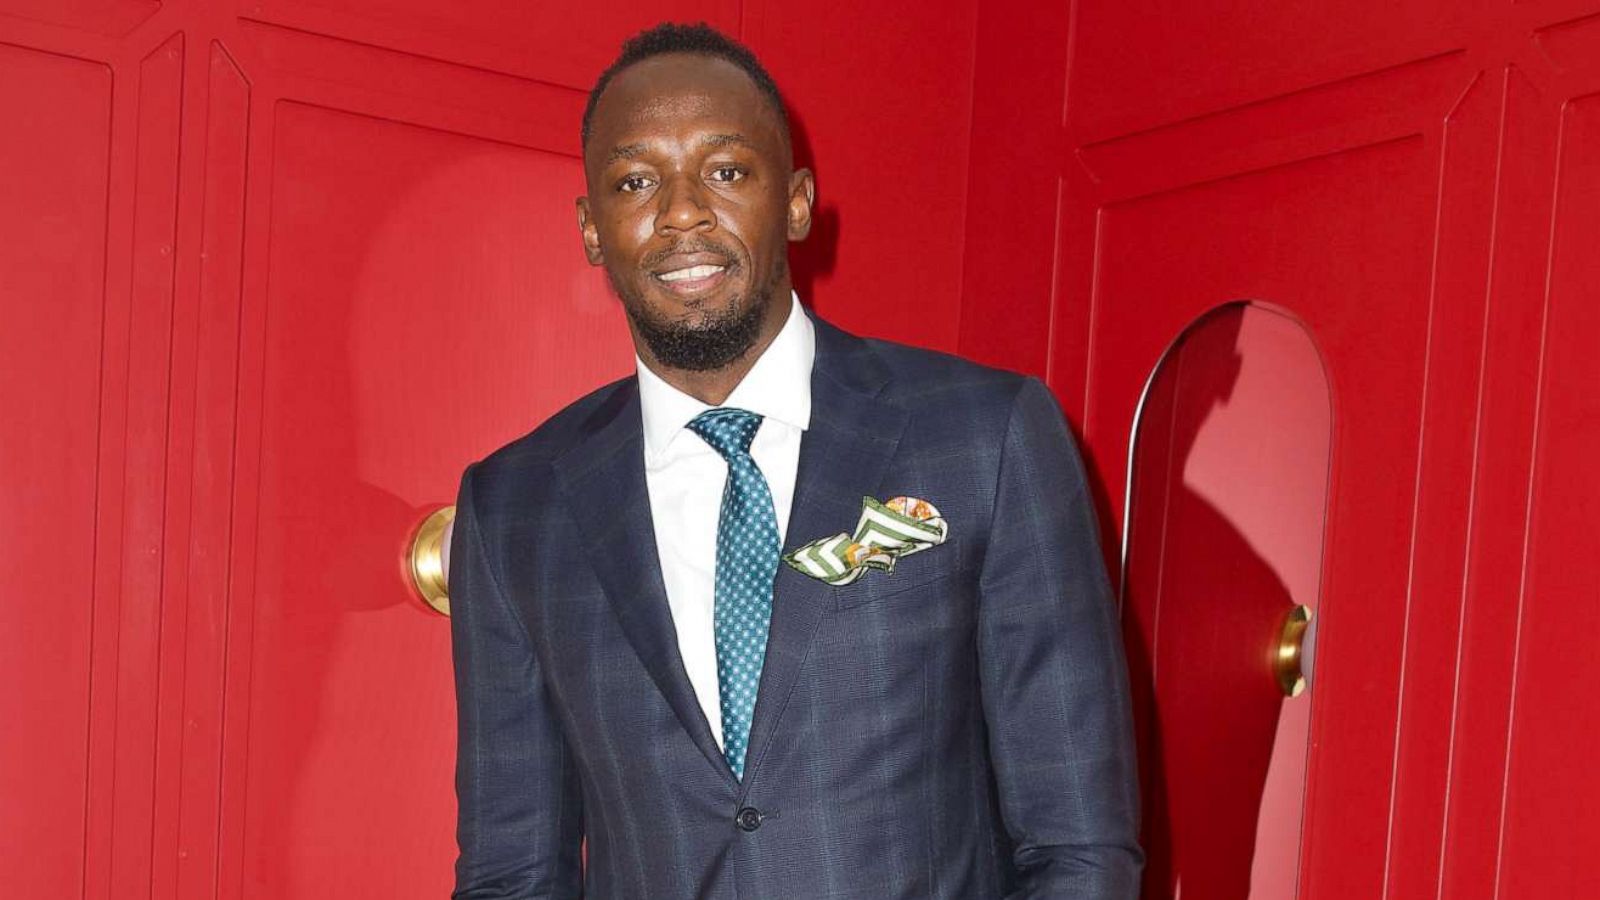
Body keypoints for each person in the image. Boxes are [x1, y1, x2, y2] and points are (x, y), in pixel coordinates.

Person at [448, 21, 1142, 899]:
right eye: (635, 181)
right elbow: (513, 871)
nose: (682, 211)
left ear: (797, 201)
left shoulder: (985, 438)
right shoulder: (515, 507)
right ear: (592, 228)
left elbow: (1080, 843)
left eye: (727, 171)